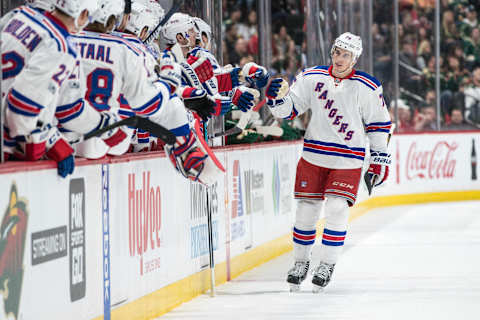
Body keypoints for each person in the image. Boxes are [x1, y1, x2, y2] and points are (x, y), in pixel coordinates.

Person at [265, 32, 392, 291]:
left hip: (349, 159)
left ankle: (327, 264)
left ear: (354, 58)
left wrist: (379, 158)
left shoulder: (367, 86)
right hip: (314, 155)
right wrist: (274, 98)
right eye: (337, 52)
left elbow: (379, 124)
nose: (339, 58)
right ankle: (300, 262)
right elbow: (288, 110)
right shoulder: (312, 77)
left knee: (336, 209)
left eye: (346, 54)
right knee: (306, 211)